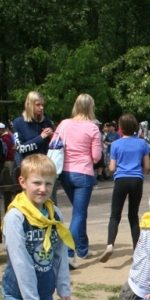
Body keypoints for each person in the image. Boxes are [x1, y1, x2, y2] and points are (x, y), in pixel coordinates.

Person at [1, 154, 73, 300]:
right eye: (37, 183)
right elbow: (20, 261)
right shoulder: (16, 217)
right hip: (19, 296)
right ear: (22, 182)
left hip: (44, 292)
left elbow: (60, 254)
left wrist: (63, 288)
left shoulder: (54, 214)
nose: (43, 188)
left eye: (49, 183)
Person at [58, 94, 103, 268]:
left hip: (65, 172)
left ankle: (82, 248)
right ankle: (69, 253)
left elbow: (54, 143)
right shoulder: (92, 128)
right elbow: (97, 156)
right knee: (79, 214)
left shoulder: (64, 124)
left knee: (79, 212)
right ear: (91, 107)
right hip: (83, 173)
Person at [100, 113, 150, 262]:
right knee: (133, 215)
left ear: (120, 128)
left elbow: (111, 168)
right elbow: (147, 166)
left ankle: (110, 244)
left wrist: (117, 172)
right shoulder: (142, 143)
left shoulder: (116, 144)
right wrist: (139, 173)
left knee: (115, 214)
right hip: (136, 179)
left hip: (121, 179)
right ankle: (137, 249)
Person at [12, 91, 54, 171]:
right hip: (29, 167)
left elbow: (56, 144)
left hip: (46, 166)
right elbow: (20, 148)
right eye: (38, 105)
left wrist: (52, 137)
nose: (41, 108)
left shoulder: (46, 121)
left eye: (42, 105)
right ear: (29, 105)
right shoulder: (18, 122)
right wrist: (41, 137)